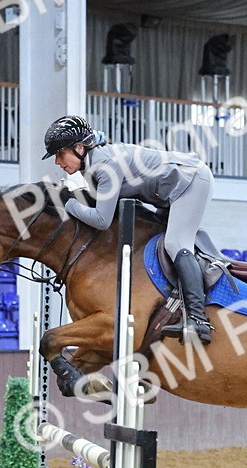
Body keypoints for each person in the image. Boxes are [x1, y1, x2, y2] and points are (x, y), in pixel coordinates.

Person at [43, 115, 215, 344]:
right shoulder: (93, 163)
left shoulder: (104, 166)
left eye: (59, 153)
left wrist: (70, 204)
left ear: (79, 147)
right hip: (167, 192)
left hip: (191, 181)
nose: (57, 161)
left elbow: (102, 220)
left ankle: (198, 320)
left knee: (175, 243)